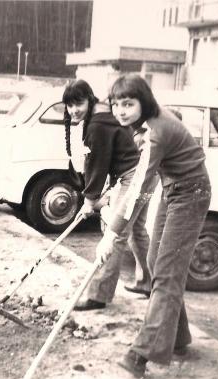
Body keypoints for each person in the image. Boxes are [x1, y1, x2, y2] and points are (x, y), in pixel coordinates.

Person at [102, 74, 211, 378]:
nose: (121, 110)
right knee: (156, 263)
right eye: (116, 104)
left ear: (143, 101)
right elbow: (145, 184)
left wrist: (111, 234)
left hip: (191, 194)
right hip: (173, 188)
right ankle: (178, 338)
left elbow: (138, 189)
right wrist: (122, 216)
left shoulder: (155, 132)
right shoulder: (147, 124)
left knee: (166, 272)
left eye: (128, 103)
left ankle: (142, 354)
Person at [61, 79, 152, 312]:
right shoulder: (99, 116)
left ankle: (98, 295)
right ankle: (148, 282)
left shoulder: (97, 125)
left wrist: (89, 201)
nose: (74, 110)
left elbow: (98, 165)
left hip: (135, 176)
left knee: (116, 233)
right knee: (137, 231)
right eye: (69, 105)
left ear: (89, 99)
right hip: (141, 173)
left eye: (78, 103)